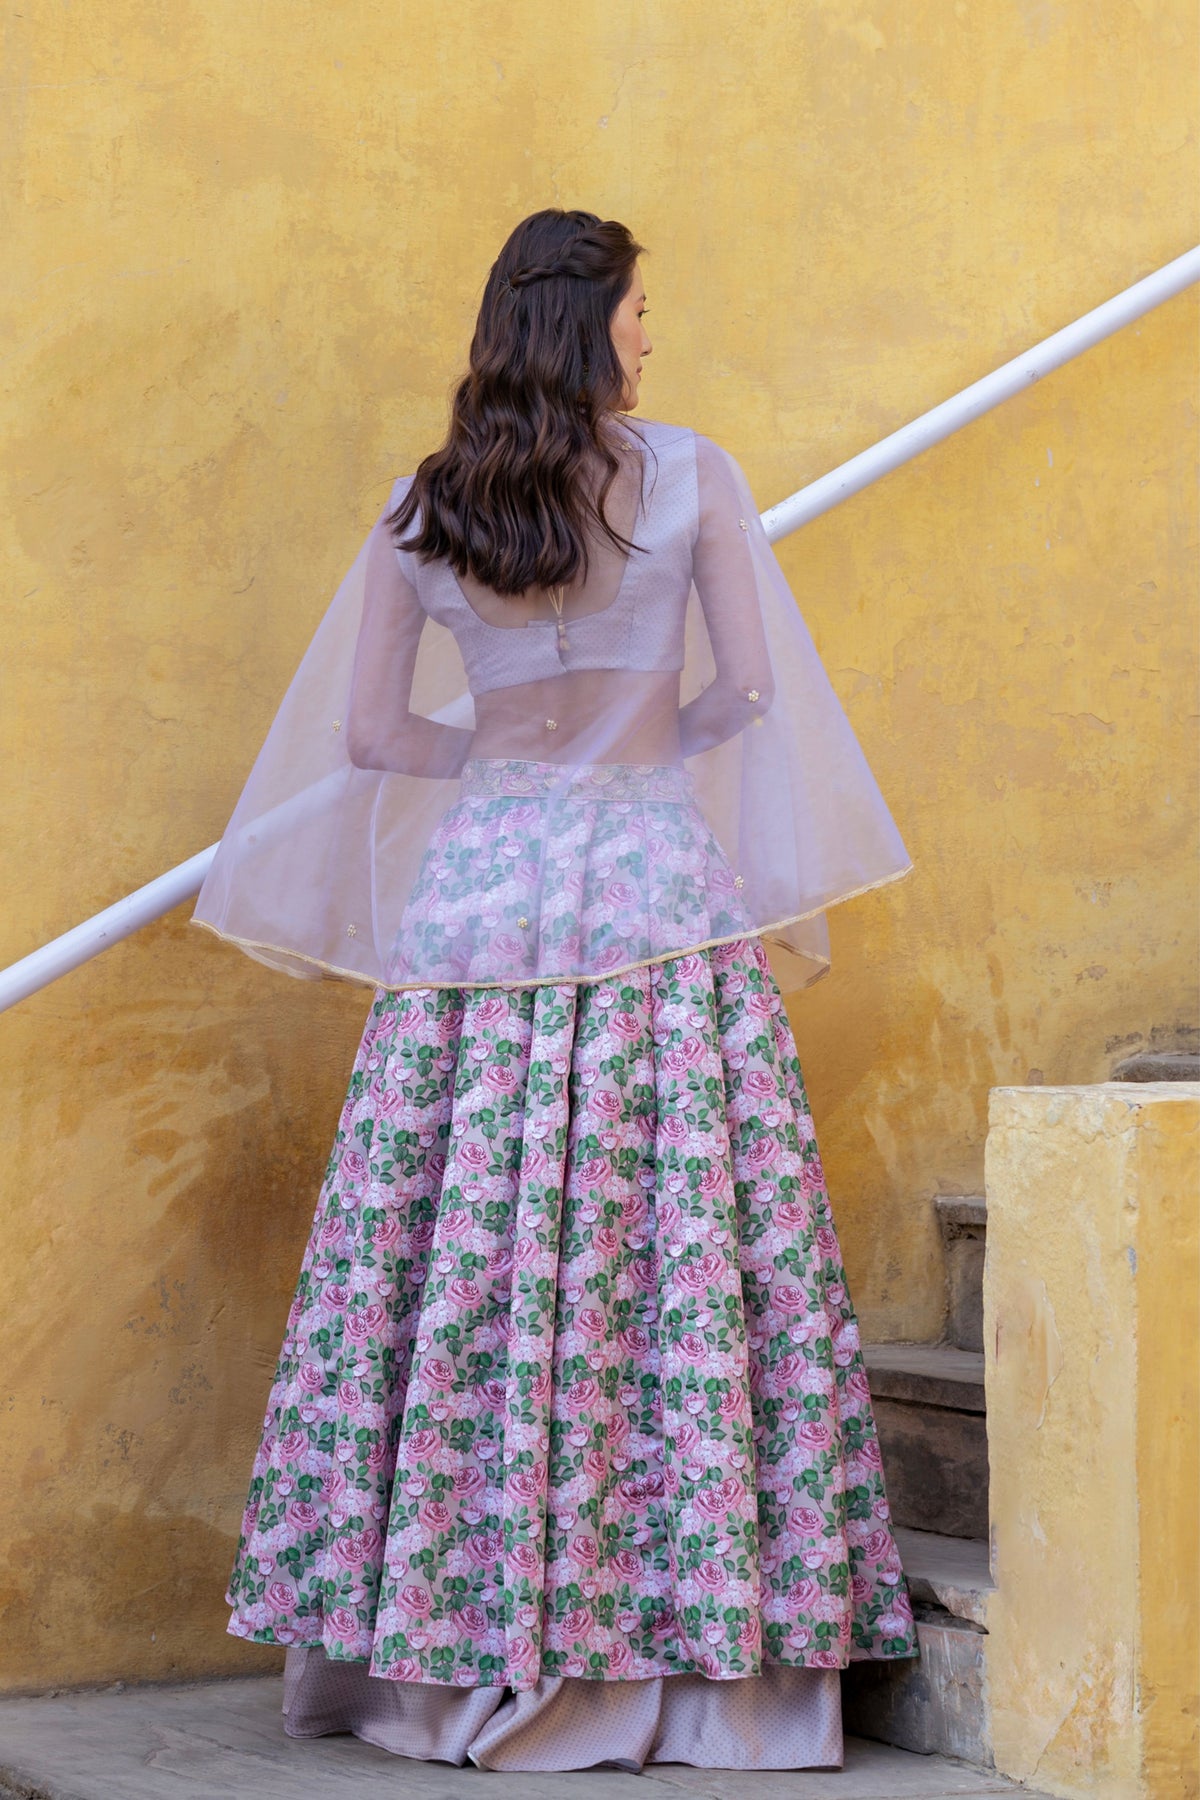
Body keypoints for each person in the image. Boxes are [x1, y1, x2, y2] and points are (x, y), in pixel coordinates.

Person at [194, 207, 920, 1773]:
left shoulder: (426, 506)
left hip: (484, 908)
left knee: (468, 1256)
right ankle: (695, 1636)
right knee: (678, 1259)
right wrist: (644, 748)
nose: (656, 333)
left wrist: (510, 763)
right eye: (645, 307)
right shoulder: (693, 476)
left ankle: (454, 1642)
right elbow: (753, 692)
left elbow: (379, 738)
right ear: (590, 320)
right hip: (654, 889)